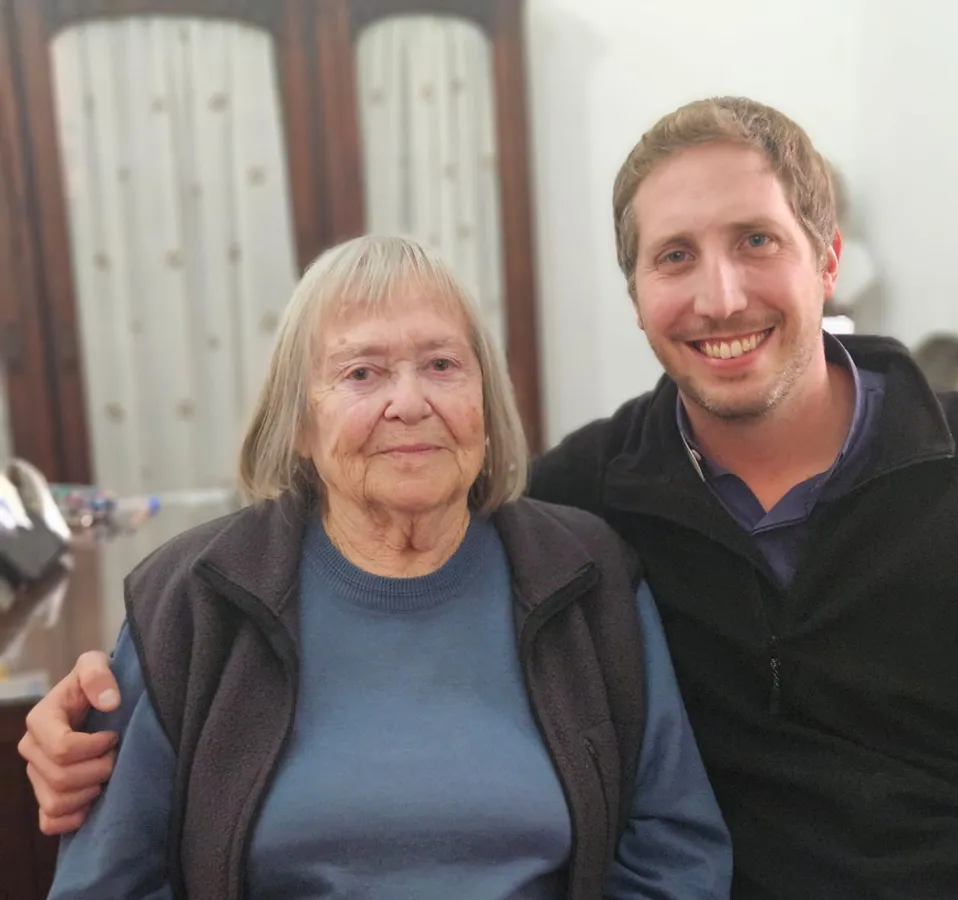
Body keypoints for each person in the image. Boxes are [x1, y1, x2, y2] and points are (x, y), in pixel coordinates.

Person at [21, 97, 958, 898]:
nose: (720, 292)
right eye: (675, 256)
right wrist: (72, 727)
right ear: (635, 293)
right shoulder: (591, 511)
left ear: (826, 260)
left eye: (757, 240)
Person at [28, 234, 732, 900]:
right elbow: (105, 884)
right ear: (300, 424)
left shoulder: (586, 575)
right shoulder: (192, 596)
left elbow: (676, 847)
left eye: (442, 365)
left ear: (484, 402)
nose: (410, 402)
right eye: (362, 373)